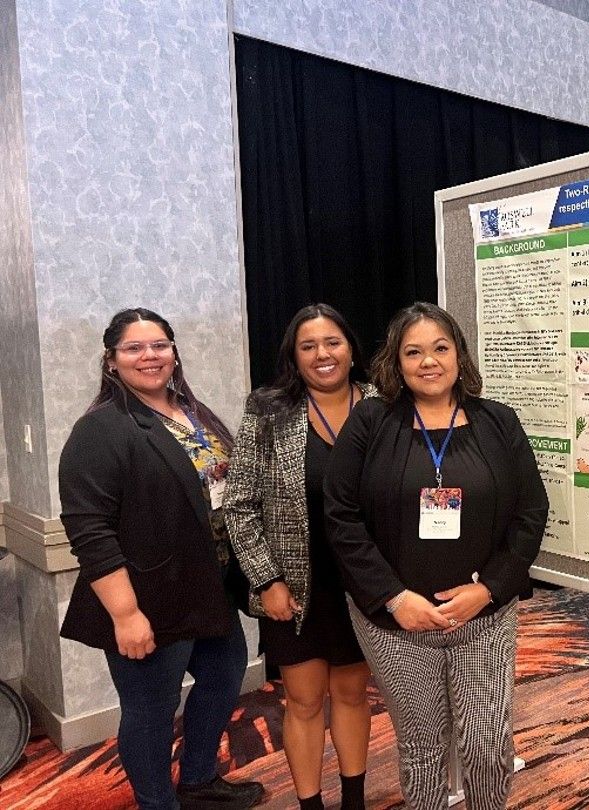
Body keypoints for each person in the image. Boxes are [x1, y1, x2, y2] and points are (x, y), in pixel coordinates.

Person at [324, 302, 548, 810]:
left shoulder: (498, 421)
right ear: (396, 362)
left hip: (484, 616)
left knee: (488, 746)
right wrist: (393, 597)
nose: (429, 362)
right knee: (423, 750)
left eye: (440, 348)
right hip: (397, 624)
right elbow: (341, 516)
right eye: (414, 351)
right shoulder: (370, 421)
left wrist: (489, 590)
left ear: (459, 355)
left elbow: (531, 512)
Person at [58, 308, 264, 810]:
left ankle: (197, 782)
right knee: (150, 709)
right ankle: (158, 803)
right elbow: (90, 530)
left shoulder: (191, 412)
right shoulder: (100, 430)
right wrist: (126, 615)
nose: (149, 356)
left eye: (159, 345)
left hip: (208, 590)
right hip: (147, 597)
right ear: (111, 360)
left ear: (174, 352)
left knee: (223, 677)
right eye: (134, 348)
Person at [224, 304, 375, 810]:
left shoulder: (383, 404)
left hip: (365, 583)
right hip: (293, 587)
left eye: (332, 342)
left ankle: (353, 800)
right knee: (305, 702)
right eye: (308, 346)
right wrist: (266, 580)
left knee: (353, 696)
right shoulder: (269, 410)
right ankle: (311, 804)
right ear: (294, 355)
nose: (322, 354)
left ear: (351, 348)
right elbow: (239, 504)